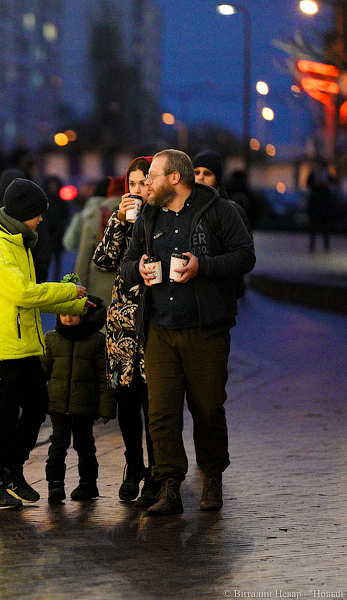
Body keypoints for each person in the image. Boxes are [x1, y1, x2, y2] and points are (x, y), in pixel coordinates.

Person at [121, 149, 255, 515]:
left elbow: (245, 256)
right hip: (159, 327)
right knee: (161, 413)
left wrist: (203, 267)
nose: (147, 182)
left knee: (208, 408)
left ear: (175, 178)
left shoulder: (219, 211)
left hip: (205, 328)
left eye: (153, 176)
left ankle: (212, 477)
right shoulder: (148, 215)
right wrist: (139, 270)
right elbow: (127, 262)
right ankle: (169, 486)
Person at [0, 177, 91, 509]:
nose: (41, 218)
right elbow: (23, 293)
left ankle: (12, 471)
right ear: (23, 212)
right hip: (2, 344)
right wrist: (69, 291)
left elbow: (31, 299)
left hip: (23, 342)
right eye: (37, 213)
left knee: (37, 407)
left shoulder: (18, 242)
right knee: (6, 414)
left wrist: (79, 303)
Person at [92, 156, 158, 505]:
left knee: (154, 403)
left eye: (144, 183)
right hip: (122, 325)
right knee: (127, 402)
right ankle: (134, 468)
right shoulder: (120, 218)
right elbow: (103, 261)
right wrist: (118, 221)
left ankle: (157, 474)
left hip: (153, 321)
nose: (138, 190)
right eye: (132, 184)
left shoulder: (164, 217)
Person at [41, 275, 114, 503]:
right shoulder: (52, 339)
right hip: (58, 405)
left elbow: (104, 377)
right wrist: (36, 399)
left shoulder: (96, 341)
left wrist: (106, 407)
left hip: (85, 405)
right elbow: (42, 372)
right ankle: (55, 484)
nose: (68, 318)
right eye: (63, 314)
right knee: (58, 444)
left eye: (73, 314)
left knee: (85, 444)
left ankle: (88, 483)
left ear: (83, 314)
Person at [74, 176, 126, 300]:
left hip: (100, 288)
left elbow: (84, 257)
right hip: (129, 290)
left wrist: (80, 291)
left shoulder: (96, 214)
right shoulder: (139, 212)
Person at [307, 158, 334, 252]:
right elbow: (308, 183)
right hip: (316, 204)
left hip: (321, 205)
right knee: (315, 227)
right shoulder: (314, 174)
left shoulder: (326, 176)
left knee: (324, 226)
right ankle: (315, 245)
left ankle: (324, 245)